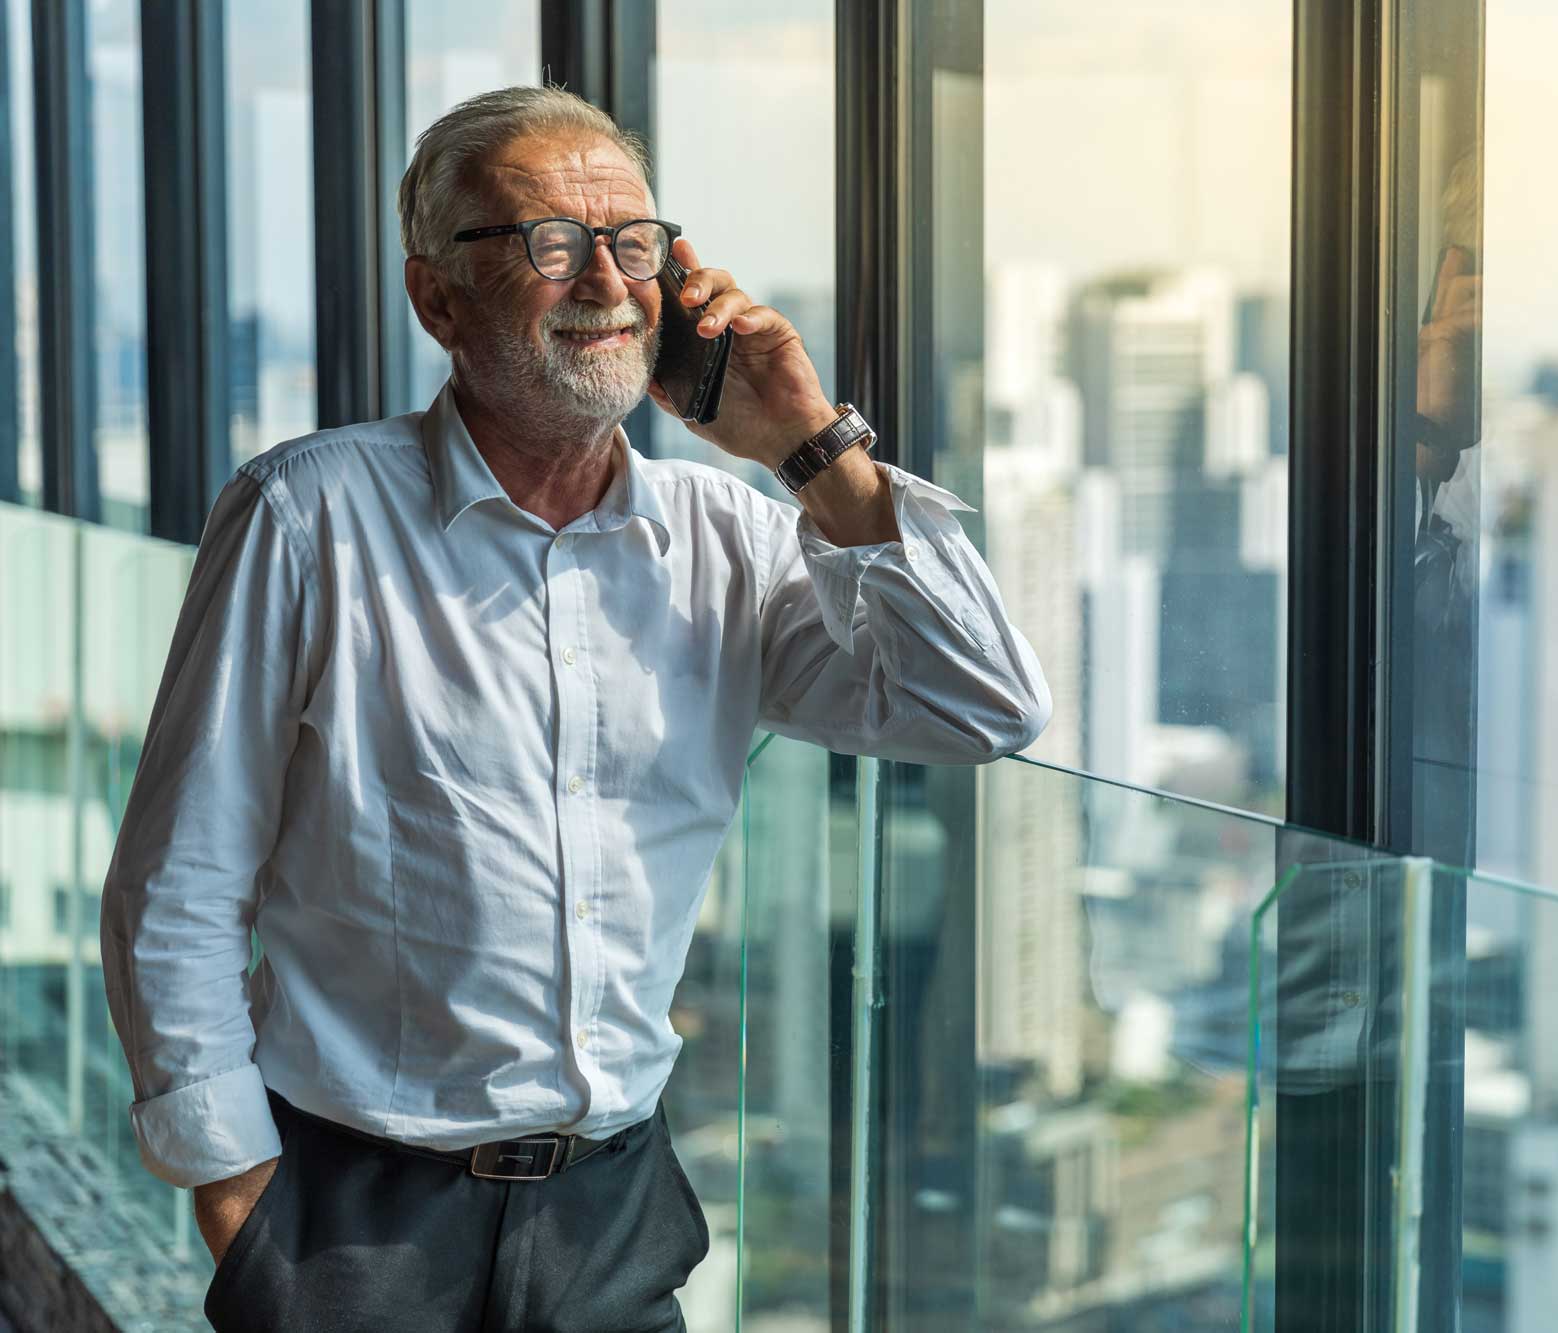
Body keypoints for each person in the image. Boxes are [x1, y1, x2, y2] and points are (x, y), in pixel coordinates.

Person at [98, 85, 1050, 1332]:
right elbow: (179, 882)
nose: (605, 279)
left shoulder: (729, 538)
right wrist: (239, 1195)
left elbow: (983, 707)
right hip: (349, 1216)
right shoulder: (307, 515)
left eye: (634, 242)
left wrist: (811, 445)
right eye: (549, 243)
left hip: (613, 1211)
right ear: (437, 295)